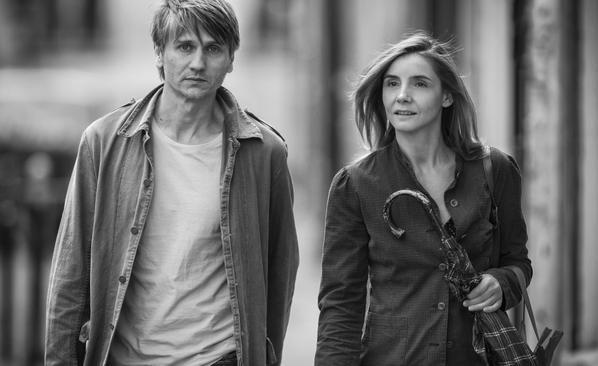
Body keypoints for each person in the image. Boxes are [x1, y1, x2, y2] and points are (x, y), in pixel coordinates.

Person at [44, 1, 299, 365]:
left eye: (213, 49)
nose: (198, 63)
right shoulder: (104, 142)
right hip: (123, 356)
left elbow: (279, 275)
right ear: (159, 55)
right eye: (184, 47)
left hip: (219, 357)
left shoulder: (264, 152)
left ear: (231, 59)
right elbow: (71, 275)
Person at [315, 32, 532, 365]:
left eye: (419, 84)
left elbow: (518, 262)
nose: (402, 96)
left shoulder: (495, 169)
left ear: (447, 96)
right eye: (391, 84)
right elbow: (341, 303)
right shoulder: (356, 185)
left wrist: (501, 284)